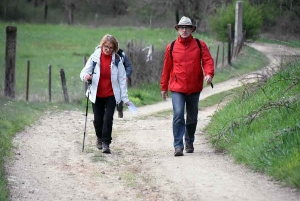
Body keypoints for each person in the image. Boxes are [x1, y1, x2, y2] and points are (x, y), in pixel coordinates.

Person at [160, 16, 214, 157]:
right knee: (178, 114)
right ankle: (178, 146)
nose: (184, 30)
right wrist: (164, 87)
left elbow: (207, 61)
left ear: (192, 29)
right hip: (177, 88)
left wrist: (209, 74)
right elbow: (166, 68)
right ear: (178, 29)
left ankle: (189, 141)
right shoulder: (171, 47)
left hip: (194, 87)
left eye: (187, 28)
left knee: (192, 117)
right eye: (181, 28)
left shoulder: (199, 44)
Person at [80, 34, 130, 154]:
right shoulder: (94, 58)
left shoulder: (117, 60)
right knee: (98, 120)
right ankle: (99, 137)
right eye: (106, 47)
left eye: (111, 47)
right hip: (96, 94)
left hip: (111, 94)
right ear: (102, 46)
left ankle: (106, 143)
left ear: (114, 48)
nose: (108, 50)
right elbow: (83, 73)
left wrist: (125, 98)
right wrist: (86, 77)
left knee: (108, 119)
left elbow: (122, 79)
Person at [116, 48, 133, 118]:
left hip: (120, 79)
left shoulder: (122, 55)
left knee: (120, 95)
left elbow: (128, 66)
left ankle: (120, 110)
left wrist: (127, 75)